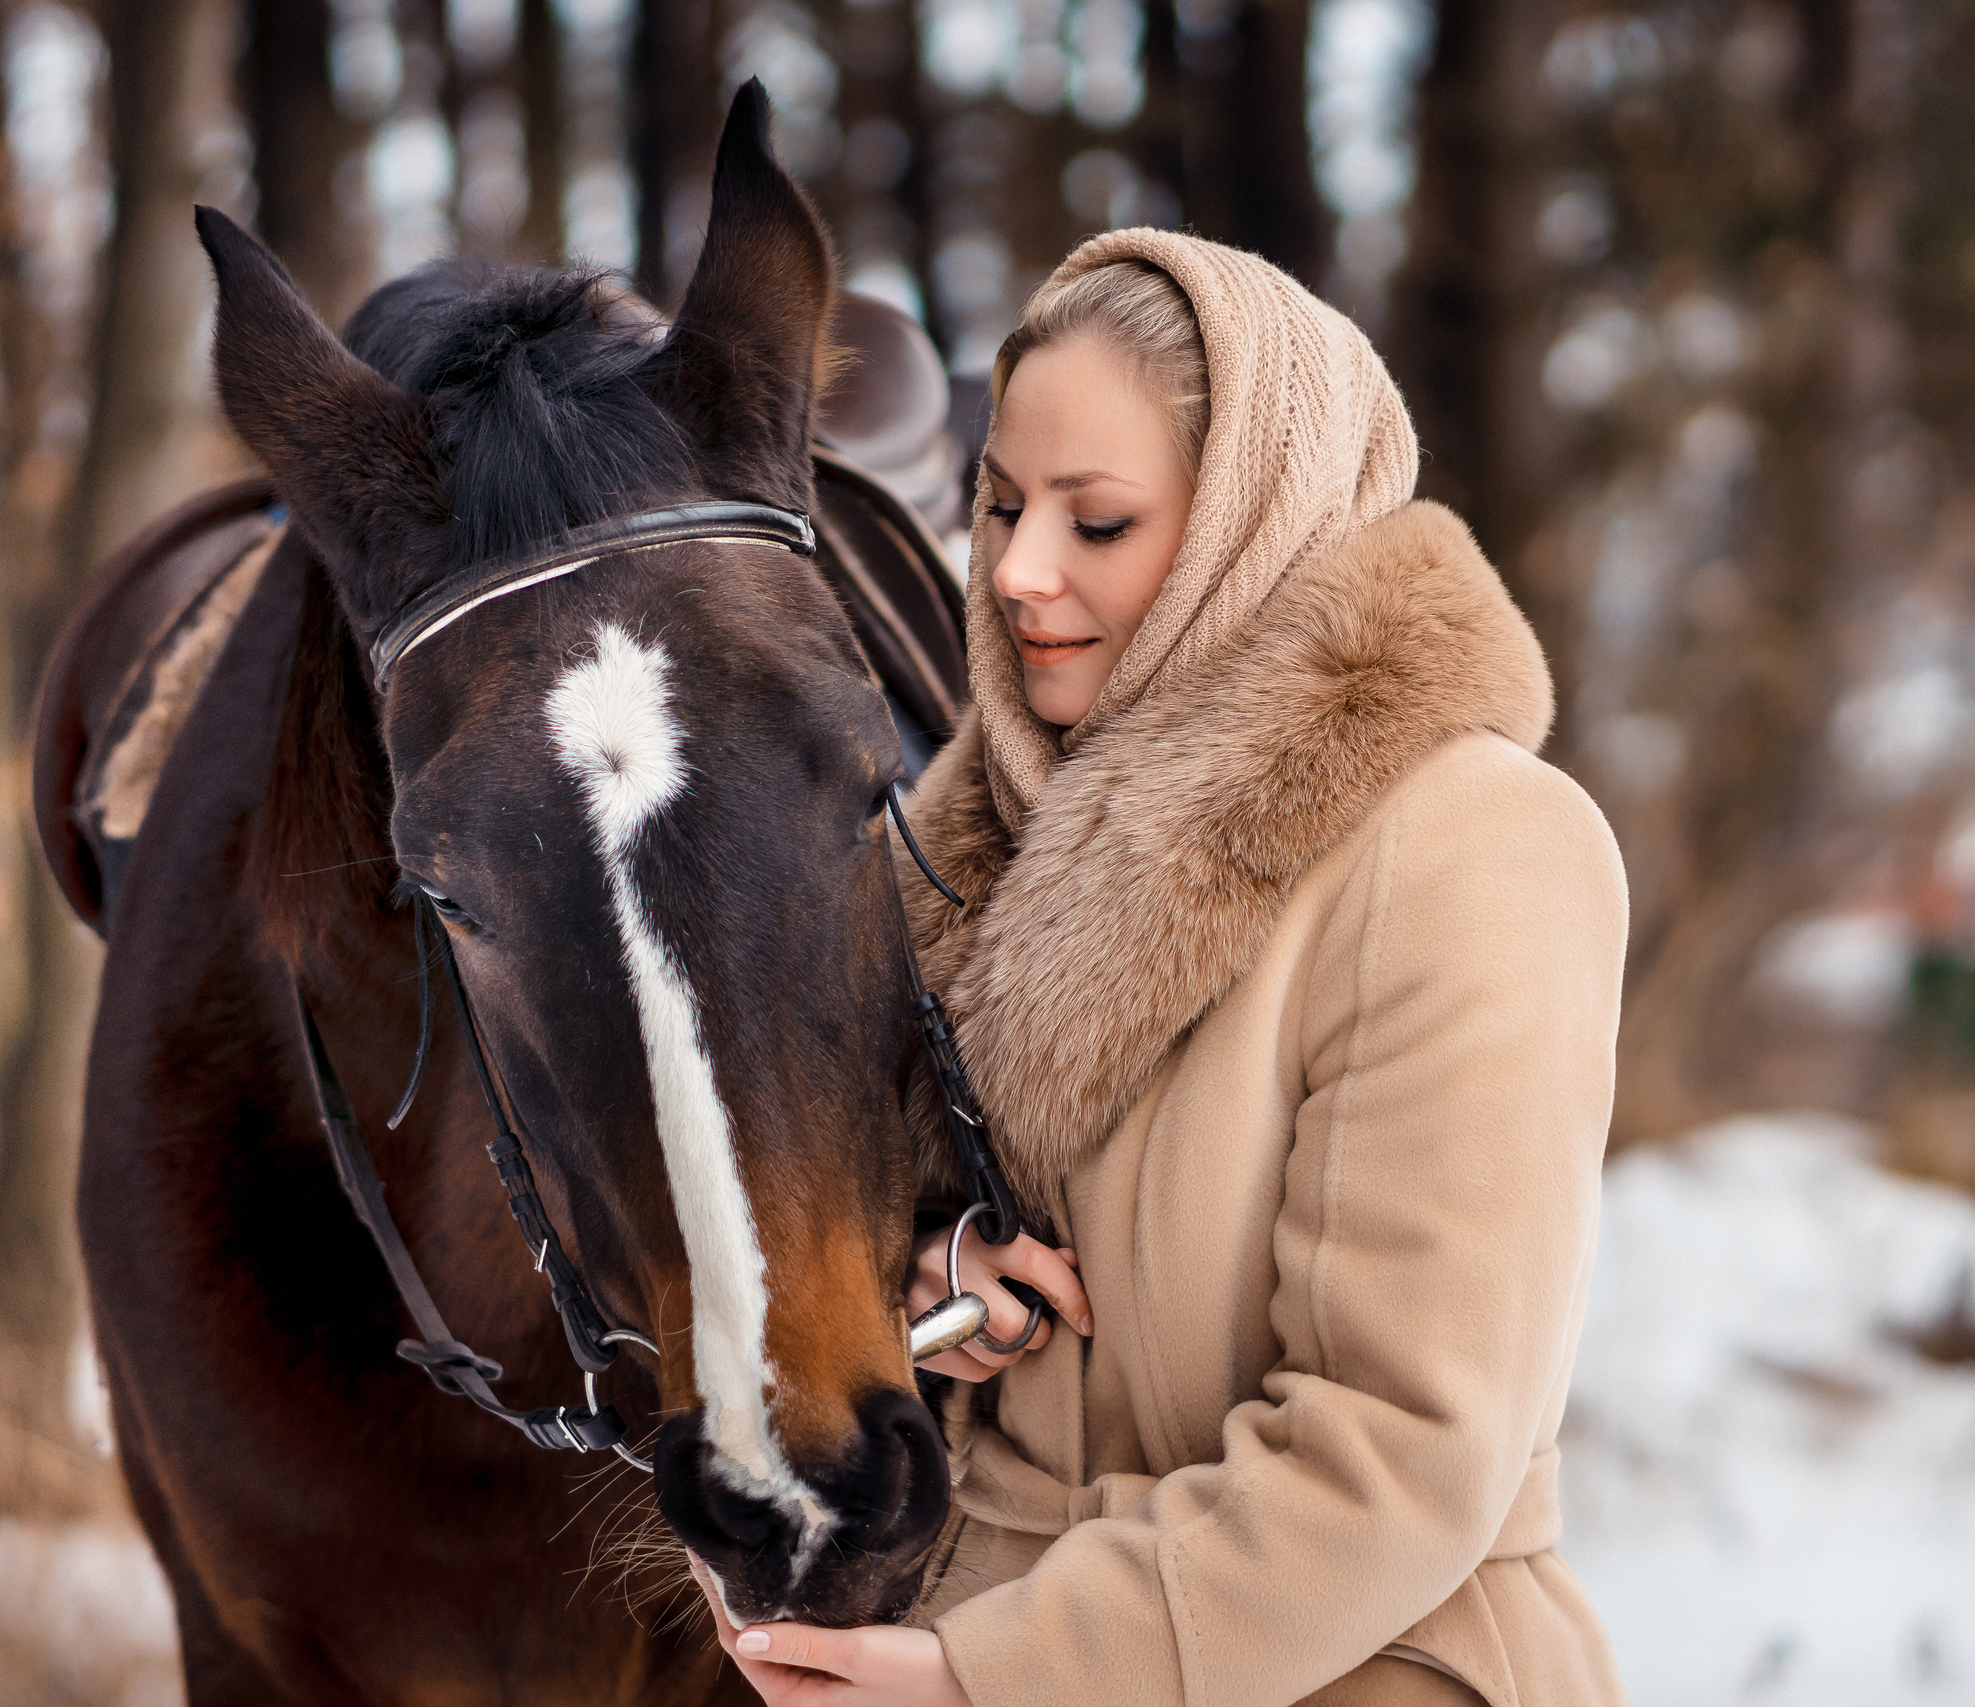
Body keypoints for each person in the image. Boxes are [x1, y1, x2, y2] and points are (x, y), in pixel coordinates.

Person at [698, 230, 1631, 1706]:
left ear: (1250, 522)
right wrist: (931, 1277)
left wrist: (985, 1681)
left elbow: (1402, 1443)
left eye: (1101, 522)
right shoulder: (966, 840)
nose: (1016, 572)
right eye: (999, 504)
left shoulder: (1471, 846)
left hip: (1354, 1664)